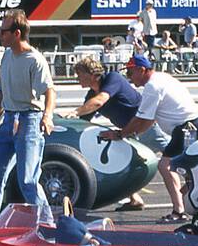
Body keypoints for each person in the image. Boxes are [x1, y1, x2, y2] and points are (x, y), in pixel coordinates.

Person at [99, 54, 198, 224]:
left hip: (187, 128)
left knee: (169, 167)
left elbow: (139, 120)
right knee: (193, 170)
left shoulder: (152, 87)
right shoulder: (162, 78)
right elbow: (148, 121)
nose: (129, 78)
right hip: (194, 125)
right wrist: (129, 133)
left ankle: (180, 210)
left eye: (130, 73)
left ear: (141, 70)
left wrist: (120, 134)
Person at [0, 8, 56, 227]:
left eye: (3, 32)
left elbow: (49, 90)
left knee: (27, 180)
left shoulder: (34, 60)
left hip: (29, 119)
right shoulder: (7, 55)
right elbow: (3, 88)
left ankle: (47, 223)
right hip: (8, 119)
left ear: (17, 33)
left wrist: (47, 116)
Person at [67, 54, 169, 210]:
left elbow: (100, 101)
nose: (77, 78)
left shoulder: (112, 79)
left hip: (145, 126)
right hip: (128, 131)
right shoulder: (91, 95)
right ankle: (135, 199)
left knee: (173, 155)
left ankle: (196, 176)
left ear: (92, 75)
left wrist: (75, 112)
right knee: (122, 162)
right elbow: (84, 120)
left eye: (80, 74)